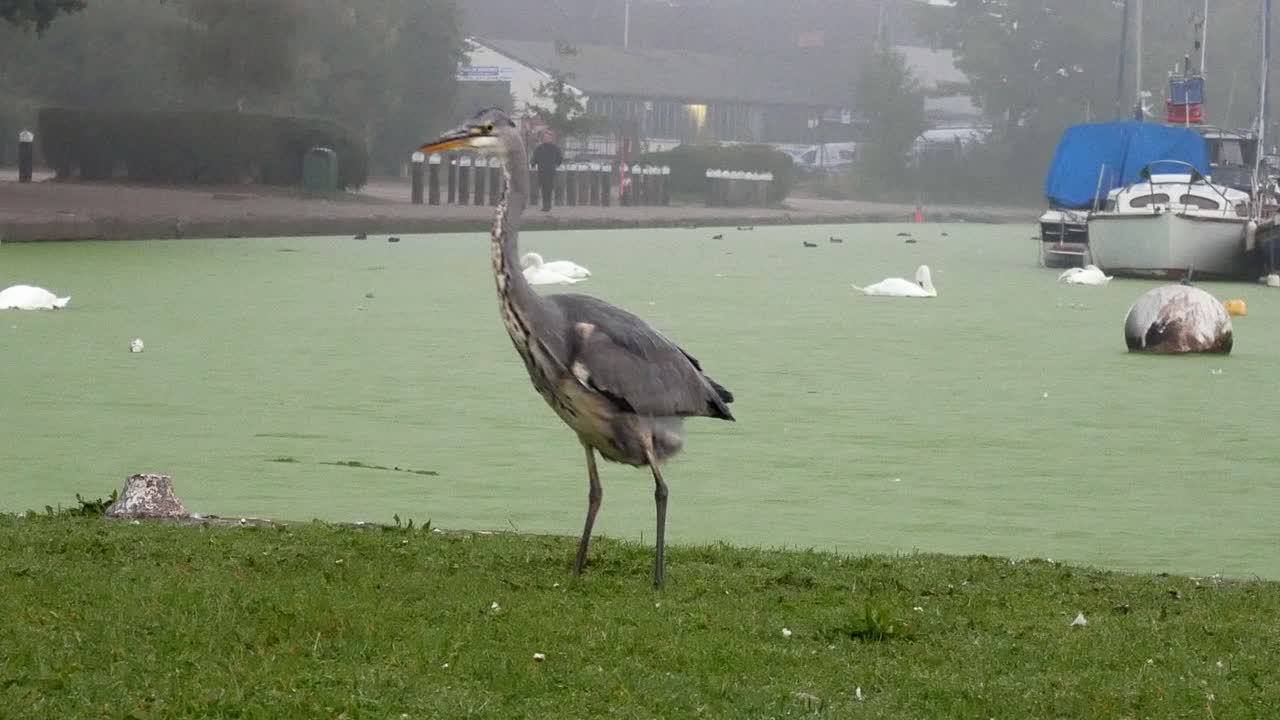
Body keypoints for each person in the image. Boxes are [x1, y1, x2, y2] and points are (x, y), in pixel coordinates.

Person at [529, 131, 563, 211]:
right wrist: (533, 164)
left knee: (549, 188)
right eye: (544, 137)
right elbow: (534, 158)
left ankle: (547, 206)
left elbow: (560, 159)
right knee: (544, 189)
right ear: (542, 138)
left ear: (551, 138)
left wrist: (557, 164)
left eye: (548, 137)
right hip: (541, 171)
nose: (546, 138)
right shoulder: (539, 148)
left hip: (551, 171)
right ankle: (545, 205)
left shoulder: (555, 148)